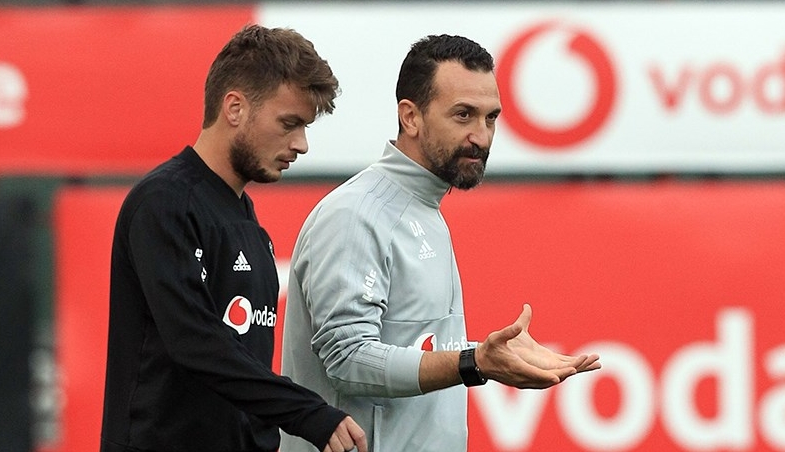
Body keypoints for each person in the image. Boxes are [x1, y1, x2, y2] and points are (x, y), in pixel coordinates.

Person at [279, 34, 601, 451]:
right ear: (410, 117)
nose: (481, 137)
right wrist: (474, 362)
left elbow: (415, 352)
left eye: (490, 118)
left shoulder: (423, 208)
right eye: (463, 115)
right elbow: (347, 358)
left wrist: (481, 354)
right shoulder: (355, 214)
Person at [100, 25, 367, 452]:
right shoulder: (164, 203)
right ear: (235, 108)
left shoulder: (245, 218)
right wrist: (308, 413)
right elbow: (194, 341)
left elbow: (242, 368)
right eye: (289, 123)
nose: (301, 144)